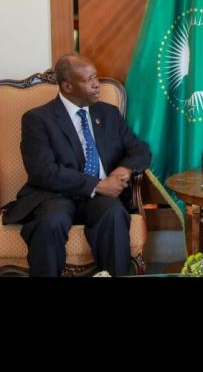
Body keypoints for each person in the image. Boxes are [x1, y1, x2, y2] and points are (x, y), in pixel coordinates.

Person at [1, 54, 151, 276]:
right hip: (54, 195)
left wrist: (123, 169)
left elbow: (140, 150)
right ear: (67, 86)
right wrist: (98, 185)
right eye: (89, 80)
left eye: (96, 77)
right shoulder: (38, 119)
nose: (97, 84)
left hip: (101, 199)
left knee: (113, 214)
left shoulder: (108, 113)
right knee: (51, 222)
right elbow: (43, 171)